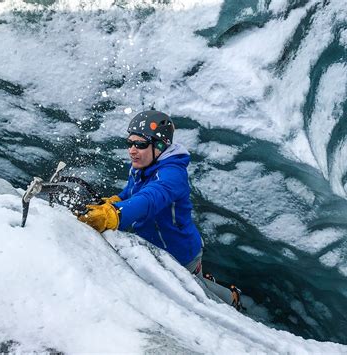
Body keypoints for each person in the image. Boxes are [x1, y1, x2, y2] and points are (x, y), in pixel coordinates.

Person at [78, 110, 244, 311]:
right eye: (129, 143)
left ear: (159, 145)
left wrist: (113, 215)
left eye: (140, 144)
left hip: (179, 254)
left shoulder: (172, 175)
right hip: (163, 247)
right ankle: (213, 284)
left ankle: (231, 300)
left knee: (203, 301)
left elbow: (149, 199)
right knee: (197, 283)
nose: (132, 150)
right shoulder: (141, 166)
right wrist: (114, 201)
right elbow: (132, 192)